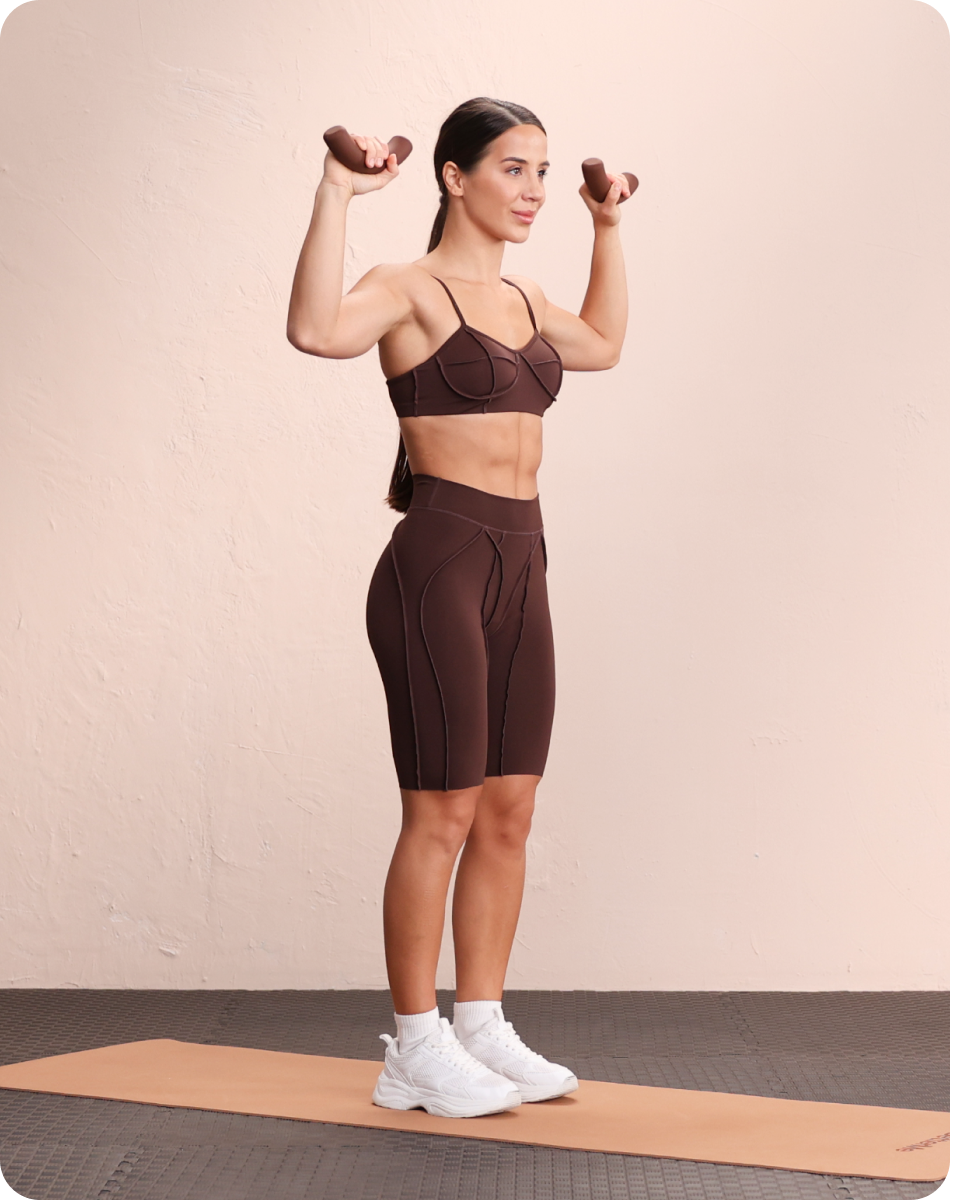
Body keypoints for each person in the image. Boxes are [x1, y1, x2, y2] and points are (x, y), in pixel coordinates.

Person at [286, 97, 629, 1116]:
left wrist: (609, 226)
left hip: (524, 562)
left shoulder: (525, 301)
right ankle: (414, 1045)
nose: (532, 192)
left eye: (541, 171)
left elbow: (605, 343)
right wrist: (338, 192)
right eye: (513, 170)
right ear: (453, 177)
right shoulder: (410, 288)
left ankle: (480, 1023)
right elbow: (314, 329)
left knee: (510, 812)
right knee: (441, 812)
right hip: (440, 561)